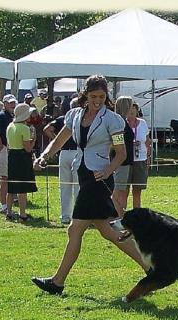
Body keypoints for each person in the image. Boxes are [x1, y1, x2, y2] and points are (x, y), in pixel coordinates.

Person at [31, 74, 150, 295]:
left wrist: (107, 170)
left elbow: (121, 153)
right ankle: (151, 268)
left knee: (75, 229)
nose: (97, 101)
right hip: (83, 174)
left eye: (102, 97)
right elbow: (60, 139)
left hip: (99, 180)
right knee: (108, 231)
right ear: (85, 95)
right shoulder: (74, 115)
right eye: (94, 96)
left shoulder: (112, 119)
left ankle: (57, 282)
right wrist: (45, 156)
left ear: (107, 97)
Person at [43, 93, 83, 224]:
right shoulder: (82, 119)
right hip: (77, 152)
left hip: (64, 152)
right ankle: (78, 216)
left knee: (65, 185)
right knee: (77, 185)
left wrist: (56, 139)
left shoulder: (62, 118)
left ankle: (65, 216)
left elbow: (47, 129)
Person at [5, 103, 37, 221]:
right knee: (22, 188)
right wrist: (33, 140)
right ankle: (23, 214)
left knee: (12, 186)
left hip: (12, 155)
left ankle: (9, 212)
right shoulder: (25, 128)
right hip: (22, 158)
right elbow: (28, 148)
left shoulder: (10, 125)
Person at [0, 94, 16, 214]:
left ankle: (9, 202)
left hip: (11, 149)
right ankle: (3, 205)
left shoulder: (12, 115)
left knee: (9, 177)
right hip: (4, 149)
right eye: (10, 103)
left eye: (13, 102)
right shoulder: (0, 116)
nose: (12, 104)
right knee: (4, 178)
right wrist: (2, 148)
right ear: (4, 104)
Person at [111, 96, 135, 218]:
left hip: (125, 161)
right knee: (116, 192)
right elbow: (116, 142)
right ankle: (118, 216)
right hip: (121, 162)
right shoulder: (120, 122)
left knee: (120, 191)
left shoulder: (122, 121)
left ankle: (118, 215)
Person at [126, 102, 151, 209]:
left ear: (137, 111)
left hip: (140, 159)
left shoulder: (142, 123)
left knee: (137, 190)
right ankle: (121, 215)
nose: (131, 111)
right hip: (125, 160)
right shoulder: (121, 123)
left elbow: (147, 141)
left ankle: (137, 213)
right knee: (123, 190)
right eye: (129, 109)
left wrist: (149, 156)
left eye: (133, 109)